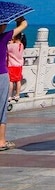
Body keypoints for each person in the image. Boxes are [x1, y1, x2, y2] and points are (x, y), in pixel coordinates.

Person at [0, 16, 27, 151]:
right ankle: (1, 141)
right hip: (2, 75)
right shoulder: (4, 37)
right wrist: (19, 18)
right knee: (2, 108)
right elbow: (24, 25)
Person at [7, 31, 25, 102]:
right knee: (18, 81)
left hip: (12, 66)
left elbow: (6, 49)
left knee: (11, 81)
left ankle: (9, 96)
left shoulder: (12, 46)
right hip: (19, 66)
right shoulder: (21, 45)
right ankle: (17, 95)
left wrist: (9, 43)